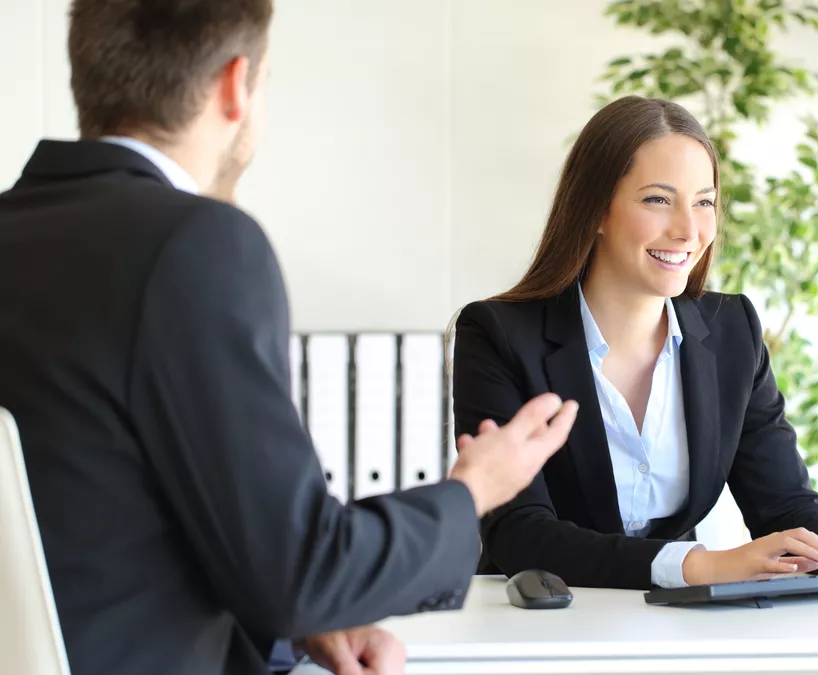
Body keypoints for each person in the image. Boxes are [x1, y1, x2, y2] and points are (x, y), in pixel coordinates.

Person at [0, 1, 577, 674]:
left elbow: (103, 525)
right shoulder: (194, 243)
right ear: (235, 84)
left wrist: (298, 626)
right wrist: (473, 490)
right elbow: (301, 572)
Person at [452, 96, 818, 591]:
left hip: (675, 629)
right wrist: (701, 566)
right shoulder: (498, 335)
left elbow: (782, 503)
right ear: (596, 211)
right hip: (536, 626)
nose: (688, 230)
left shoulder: (731, 329)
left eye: (704, 203)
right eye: (658, 200)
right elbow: (520, 532)